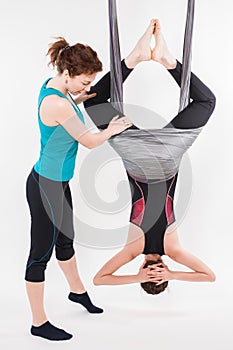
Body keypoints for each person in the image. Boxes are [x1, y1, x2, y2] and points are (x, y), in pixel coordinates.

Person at [83, 20, 216, 294]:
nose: (153, 273)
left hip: (142, 156)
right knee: (206, 103)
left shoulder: (133, 250)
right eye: (159, 277)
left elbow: (100, 279)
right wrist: (174, 273)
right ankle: (159, 60)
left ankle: (137, 59)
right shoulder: (173, 249)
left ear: (140, 274)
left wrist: (137, 278)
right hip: (163, 155)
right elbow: (209, 276)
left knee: (94, 102)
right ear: (164, 274)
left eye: (148, 278)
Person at [25, 38, 134, 341]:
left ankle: (77, 293)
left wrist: (81, 97)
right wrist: (111, 130)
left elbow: (69, 107)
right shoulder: (58, 102)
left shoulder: (56, 85)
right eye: (83, 82)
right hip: (46, 186)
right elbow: (87, 140)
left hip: (58, 182)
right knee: (40, 255)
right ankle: (38, 323)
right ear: (68, 73)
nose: (85, 86)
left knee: (66, 242)